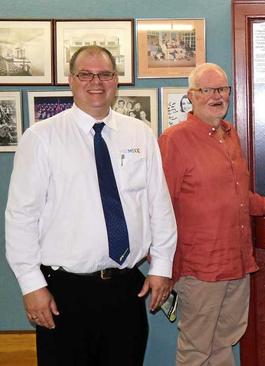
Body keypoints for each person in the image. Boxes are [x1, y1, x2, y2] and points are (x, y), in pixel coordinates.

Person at [4, 45, 177, 365]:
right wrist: (31, 285)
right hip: (63, 293)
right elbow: (21, 217)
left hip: (127, 289)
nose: (95, 82)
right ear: (71, 80)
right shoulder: (42, 138)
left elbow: (159, 206)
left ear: (116, 80)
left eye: (105, 74)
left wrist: (162, 267)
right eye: (85, 74)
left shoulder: (139, 134)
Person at [158, 63, 265, 366]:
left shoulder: (230, 134)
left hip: (237, 262)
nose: (216, 96)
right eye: (207, 90)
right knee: (196, 349)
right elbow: (159, 205)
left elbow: (240, 198)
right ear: (192, 96)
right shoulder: (175, 139)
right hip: (199, 268)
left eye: (222, 89)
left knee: (224, 343)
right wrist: (161, 266)